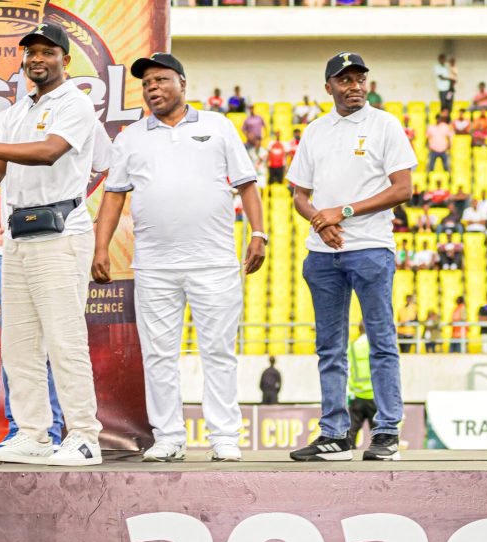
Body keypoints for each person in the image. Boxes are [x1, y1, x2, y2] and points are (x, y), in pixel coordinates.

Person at [0, 23, 104, 466]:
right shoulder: (12, 113)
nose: (36, 58)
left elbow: (50, 151)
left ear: (65, 60)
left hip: (61, 232)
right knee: (19, 344)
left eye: (47, 51)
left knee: (64, 341)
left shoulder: (76, 103)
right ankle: (34, 433)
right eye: (30, 52)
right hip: (16, 236)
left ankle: (85, 435)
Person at [93, 53, 264, 463]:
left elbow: (247, 185)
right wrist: (101, 248)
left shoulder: (218, 126)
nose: (152, 88)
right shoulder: (131, 137)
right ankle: (168, 435)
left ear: (182, 84)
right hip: (154, 265)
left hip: (215, 262)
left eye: (161, 80)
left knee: (219, 352)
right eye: (147, 83)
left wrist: (258, 232)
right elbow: (114, 196)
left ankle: (224, 436)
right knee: (158, 354)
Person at [289, 52, 414, 462]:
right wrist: (320, 222)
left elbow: (403, 189)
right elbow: (300, 196)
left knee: (381, 342)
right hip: (323, 254)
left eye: (360, 78)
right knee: (329, 347)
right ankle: (335, 434)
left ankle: (387, 431)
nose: (354, 85)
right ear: (329, 87)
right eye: (344, 80)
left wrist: (342, 212)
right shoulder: (315, 131)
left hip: (371, 248)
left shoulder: (385, 124)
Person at [346, 322, 375, 448]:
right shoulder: (376, 346)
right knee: (378, 432)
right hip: (374, 395)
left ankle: (348, 452)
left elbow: (348, 369)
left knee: (351, 431)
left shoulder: (352, 346)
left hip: (357, 395)